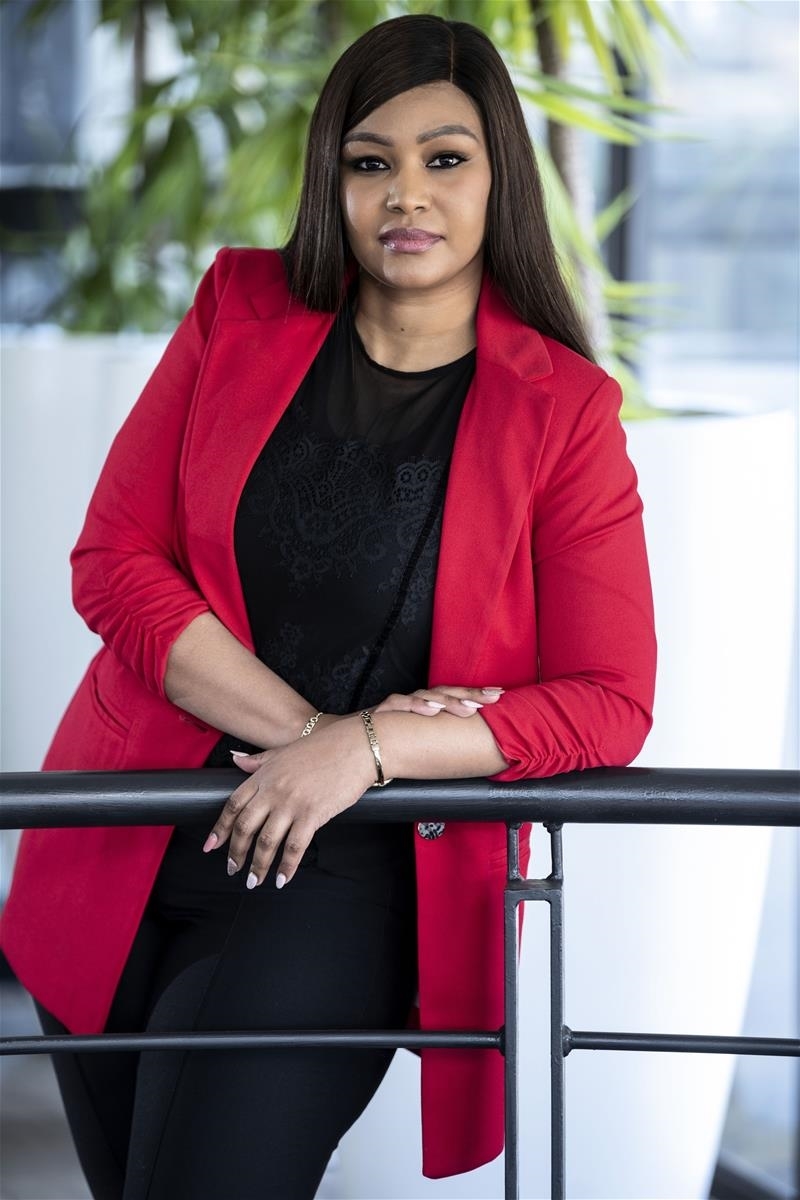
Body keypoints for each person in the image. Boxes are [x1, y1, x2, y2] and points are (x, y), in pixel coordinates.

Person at [0, 13, 656, 1199]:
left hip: (346, 876)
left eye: (444, 158)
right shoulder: (238, 305)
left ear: (500, 177)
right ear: (332, 178)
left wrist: (366, 755)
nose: (405, 194)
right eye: (370, 161)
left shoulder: (562, 411)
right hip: (125, 840)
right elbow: (115, 561)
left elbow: (609, 701)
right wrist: (314, 737)